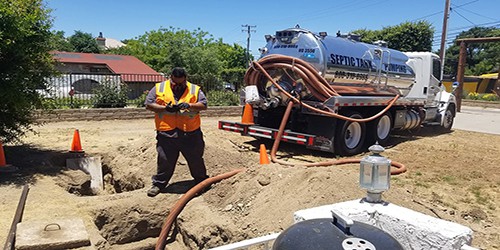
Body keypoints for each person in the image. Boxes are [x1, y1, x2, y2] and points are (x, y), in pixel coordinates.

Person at [144, 67, 208, 197]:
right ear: (170, 78)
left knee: (195, 159)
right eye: (175, 83)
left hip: (190, 133)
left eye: (181, 83)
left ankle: (202, 182)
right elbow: (148, 104)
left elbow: (204, 105)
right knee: (165, 160)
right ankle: (159, 184)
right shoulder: (159, 88)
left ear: (185, 79)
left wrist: (190, 105)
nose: (178, 86)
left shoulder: (194, 89)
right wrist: (164, 108)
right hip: (167, 133)